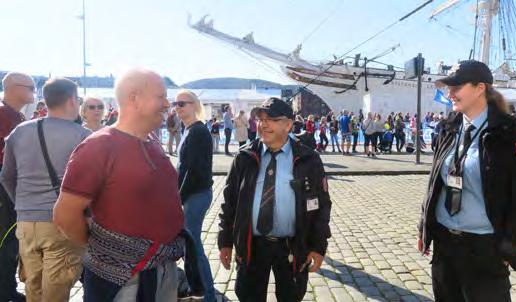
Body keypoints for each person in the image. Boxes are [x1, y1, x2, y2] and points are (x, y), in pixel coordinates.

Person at [53, 69, 186, 301]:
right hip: (123, 278)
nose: (168, 104)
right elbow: (65, 215)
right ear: (134, 98)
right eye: (161, 96)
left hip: (161, 268)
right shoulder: (98, 147)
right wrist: (109, 249)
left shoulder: (152, 140)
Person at [418, 60, 516, 302]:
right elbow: (435, 183)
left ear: (480, 87)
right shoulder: (449, 126)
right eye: (448, 87)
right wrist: (425, 226)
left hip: (485, 248)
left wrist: (510, 245)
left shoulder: (508, 130)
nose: (450, 93)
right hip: (445, 243)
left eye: (457, 87)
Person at [219, 97, 331, 302]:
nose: (263, 124)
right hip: (252, 246)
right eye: (261, 119)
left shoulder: (308, 159)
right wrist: (224, 240)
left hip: (291, 247)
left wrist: (318, 246)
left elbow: (322, 206)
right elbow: (230, 203)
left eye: (271, 119)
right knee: (249, 296)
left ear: (288, 124)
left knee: (291, 297)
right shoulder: (244, 158)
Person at [1, 77, 91, 302]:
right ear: (71, 100)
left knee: (34, 288)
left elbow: (7, 176)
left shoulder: (19, 131)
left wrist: (22, 203)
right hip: (62, 223)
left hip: (26, 224)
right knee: (55, 292)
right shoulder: (83, 136)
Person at [173, 90, 216, 301]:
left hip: (196, 195)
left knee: (194, 245)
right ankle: (201, 288)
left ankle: (207, 293)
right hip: (194, 194)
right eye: (176, 104)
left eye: (183, 103)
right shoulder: (188, 129)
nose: (178, 107)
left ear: (194, 105)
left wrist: (178, 199)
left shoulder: (198, 131)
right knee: (193, 244)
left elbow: (193, 171)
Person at [0, 72, 35, 302]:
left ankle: (6, 288)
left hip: (9, 185)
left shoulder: (14, 116)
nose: (34, 91)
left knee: (10, 241)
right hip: (5, 187)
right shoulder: (4, 116)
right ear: (13, 88)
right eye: (31, 87)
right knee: (6, 241)